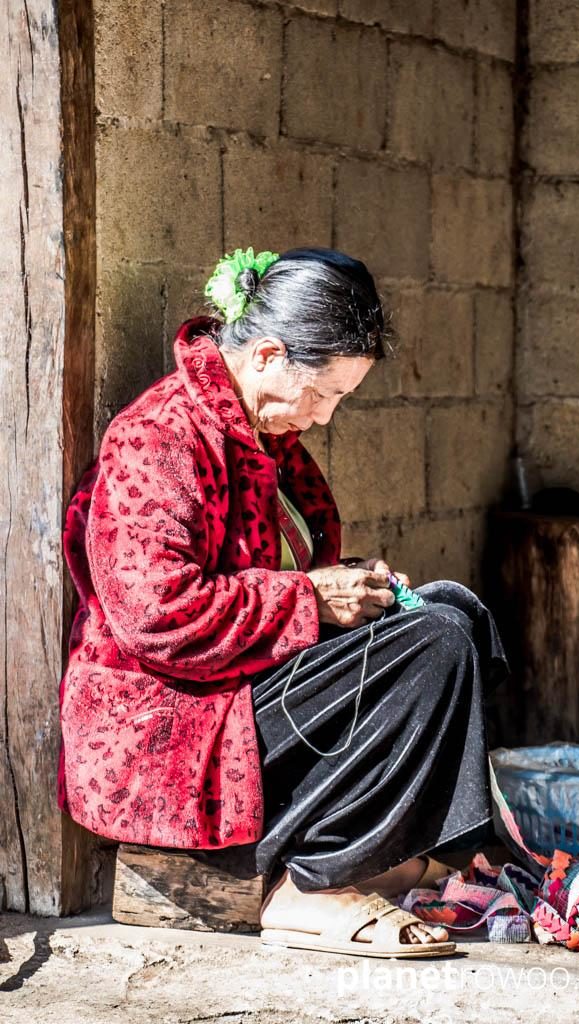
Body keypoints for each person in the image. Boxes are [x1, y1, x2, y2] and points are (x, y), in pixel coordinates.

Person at [57, 245, 510, 958]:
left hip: (239, 688)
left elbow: (279, 576)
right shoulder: (158, 437)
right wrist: (309, 598)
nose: (323, 416)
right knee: (434, 646)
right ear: (266, 354)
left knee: (450, 613)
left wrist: (352, 589)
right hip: (169, 720)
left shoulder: (268, 439)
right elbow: (157, 616)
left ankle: (398, 851)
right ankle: (312, 887)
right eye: (322, 393)